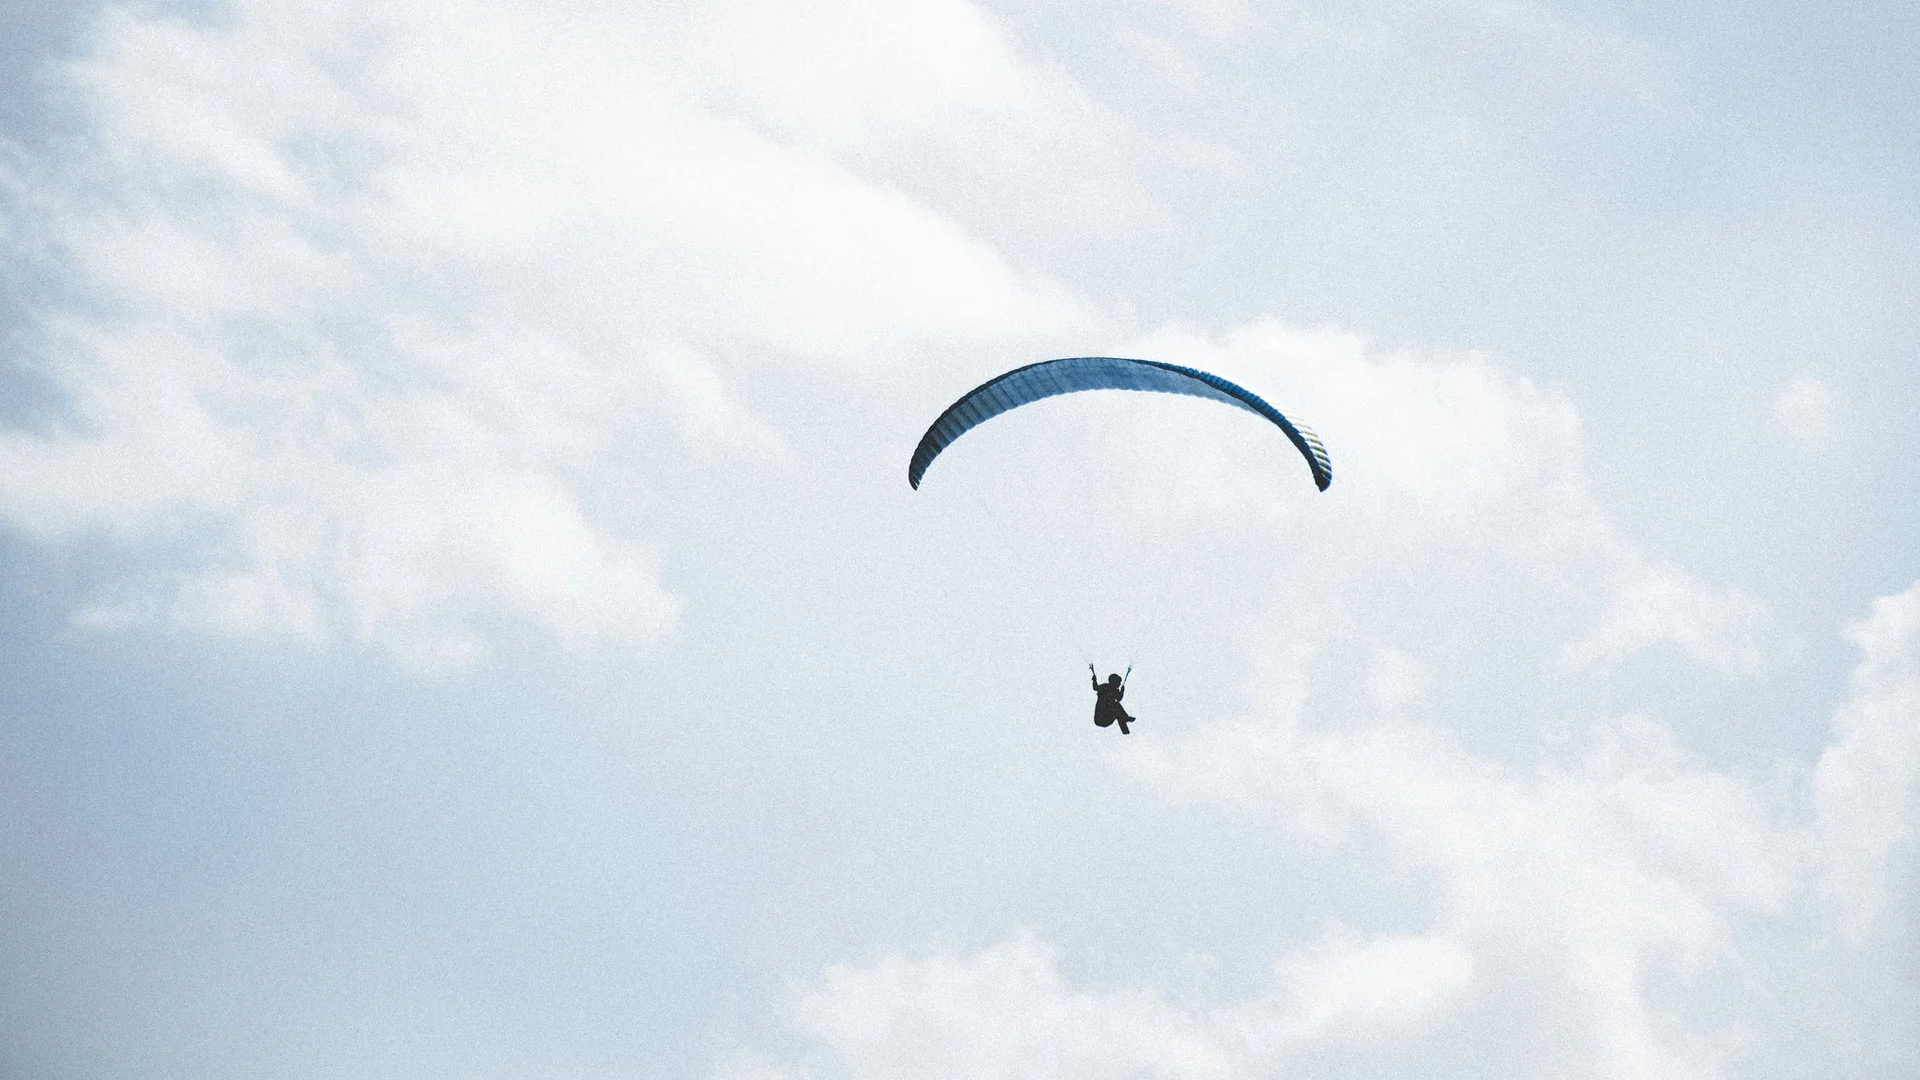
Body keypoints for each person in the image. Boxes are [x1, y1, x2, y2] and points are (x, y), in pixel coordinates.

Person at [1089, 665, 1136, 735]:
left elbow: (1095, 687)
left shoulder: (1104, 686)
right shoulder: (1112, 689)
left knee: (1118, 712)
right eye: (1118, 683)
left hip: (1099, 719)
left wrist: (1094, 680)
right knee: (1117, 707)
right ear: (1114, 682)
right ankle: (1125, 726)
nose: (1119, 684)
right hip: (1102, 717)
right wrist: (1122, 691)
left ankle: (1126, 729)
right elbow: (1119, 699)